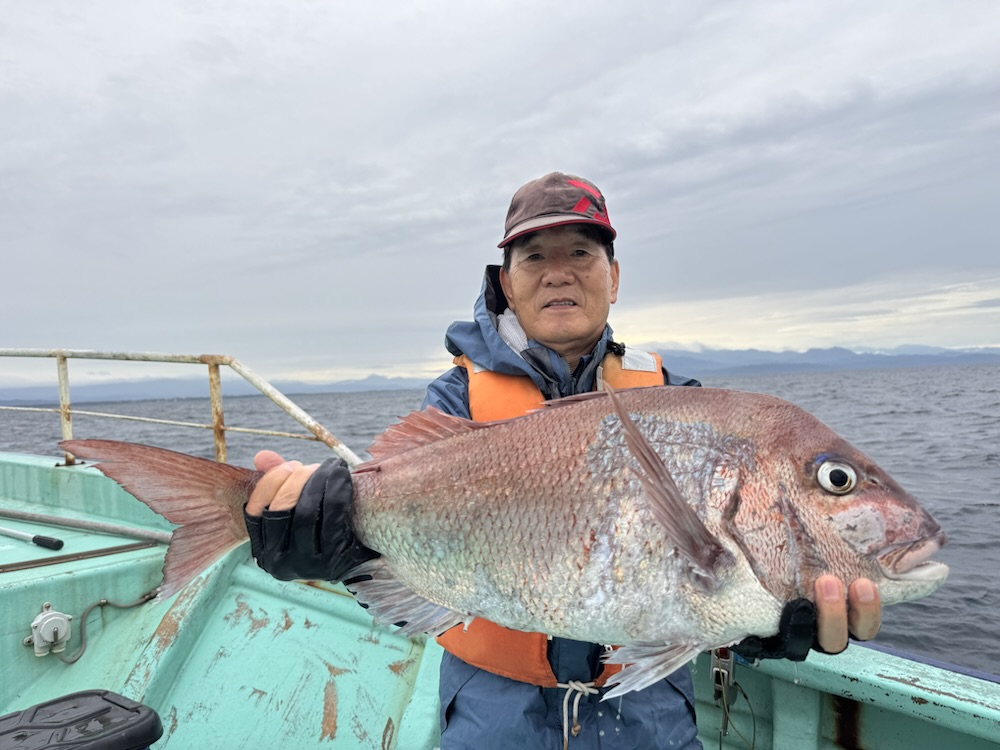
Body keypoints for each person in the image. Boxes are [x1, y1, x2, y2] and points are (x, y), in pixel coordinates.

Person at [244, 172, 883, 749]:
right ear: (505, 282)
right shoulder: (456, 399)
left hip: (648, 716)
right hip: (495, 710)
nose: (558, 273)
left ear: (614, 276)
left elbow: (708, 581)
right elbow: (397, 541)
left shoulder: (680, 403)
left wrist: (754, 623)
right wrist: (333, 545)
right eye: (534, 256)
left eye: (580, 252)